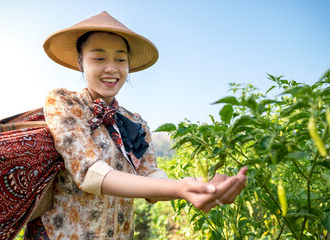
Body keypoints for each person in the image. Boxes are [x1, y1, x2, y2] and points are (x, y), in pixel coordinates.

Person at [25, 11, 247, 239]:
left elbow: (151, 178)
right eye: (99, 58)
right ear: (81, 62)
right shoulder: (65, 103)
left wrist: (197, 185)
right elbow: (90, 173)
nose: (111, 68)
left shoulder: (135, 123)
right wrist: (181, 189)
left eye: (120, 59)